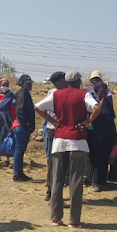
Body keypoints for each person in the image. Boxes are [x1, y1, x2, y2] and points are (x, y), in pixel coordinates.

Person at [34, 70, 102, 228]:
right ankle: (74, 220)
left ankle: (55, 218)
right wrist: (87, 122)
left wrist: (54, 122)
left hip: (59, 140)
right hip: (77, 141)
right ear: (79, 81)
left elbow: (37, 107)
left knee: (57, 179)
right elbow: (97, 108)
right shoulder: (83, 95)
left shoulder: (57, 95)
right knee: (76, 181)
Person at [86, 76, 117, 192]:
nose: (103, 94)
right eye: (101, 92)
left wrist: (115, 136)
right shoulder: (93, 104)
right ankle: (95, 182)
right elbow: (92, 120)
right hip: (97, 136)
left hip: (108, 135)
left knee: (105, 159)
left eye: (105, 92)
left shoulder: (108, 103)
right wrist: (100, 106)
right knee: (97, 159)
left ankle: (103, 181)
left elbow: (111, 120)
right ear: (96, 92)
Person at [43, 71, 67, 201]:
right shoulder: (53, 93)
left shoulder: (66, 91)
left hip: (64, 130)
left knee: (62, 161)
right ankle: (51, 191)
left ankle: (54, 190)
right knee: (54, 161)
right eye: (64, 79)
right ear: (57, 82)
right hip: (54, 130)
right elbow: (40, 109)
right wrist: (52, 121)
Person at [13, 74, 35, 182]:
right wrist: (27, 125)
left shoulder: (24, 93)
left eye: (30, 83)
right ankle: (17, 174)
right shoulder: (22, 94)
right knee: (19, 151)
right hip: (22, 127)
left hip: (22, 126)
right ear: (22, 84)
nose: (30, 85)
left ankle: (19, 173)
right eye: (28, 83)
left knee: (20, 151)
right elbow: (20, 111)